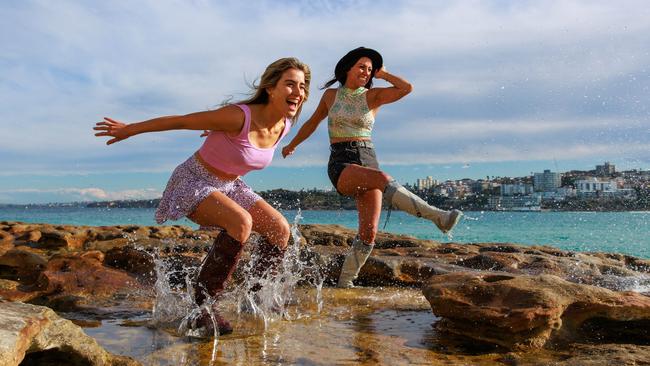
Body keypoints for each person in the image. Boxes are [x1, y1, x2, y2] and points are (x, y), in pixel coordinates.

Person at [94, 57, 311, 336]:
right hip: (194, 180)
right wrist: (131, 129)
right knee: (241, 222)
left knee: (280, 230)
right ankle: (203, 308)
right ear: (271, 88)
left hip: (230, 185)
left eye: (302, 86)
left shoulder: (285, 125)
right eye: (290, 84)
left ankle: (255, 299)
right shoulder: (238, 116)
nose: (298, 92)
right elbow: (182, 121)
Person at [282, 47, 461, 288]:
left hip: (368, 157)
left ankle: (345, 283)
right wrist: (292, 144)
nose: (366, 72)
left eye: (369, 69)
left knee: (369, 233)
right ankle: (438, 217)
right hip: (342, 161)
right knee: (382, 178)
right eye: (361, 67)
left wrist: (384, 74)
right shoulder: (331, 96)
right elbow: (313, 123)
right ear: (348, 68)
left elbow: (406, 88)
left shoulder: (373, 96)